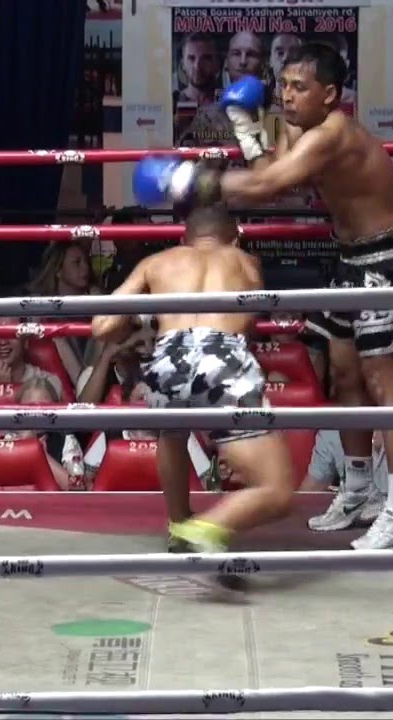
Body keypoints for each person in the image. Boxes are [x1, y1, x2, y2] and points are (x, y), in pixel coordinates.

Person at [132, 42, 393, 549]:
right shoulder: (302, 128)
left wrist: (188, 180)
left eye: (299, 87)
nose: (287, 96)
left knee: (386, 385)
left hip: (386, 259)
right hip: (349, 259)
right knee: (344, 377)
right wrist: (244, 124)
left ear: (330, 94)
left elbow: (268, 184)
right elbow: (270, 168)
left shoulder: (334, 132)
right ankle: (358, 490)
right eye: (285, 85)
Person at [91, 205, 295, 557]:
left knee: (172, 431)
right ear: (235, 238)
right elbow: (247, 324)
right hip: (221, 353)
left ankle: (178, 525)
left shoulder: (157, 262)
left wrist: (143, 319)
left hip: (168, 356)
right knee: (278, 490)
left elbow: (102, 326)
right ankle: (205, 529)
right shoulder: (244, 261)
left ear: (184, 239)